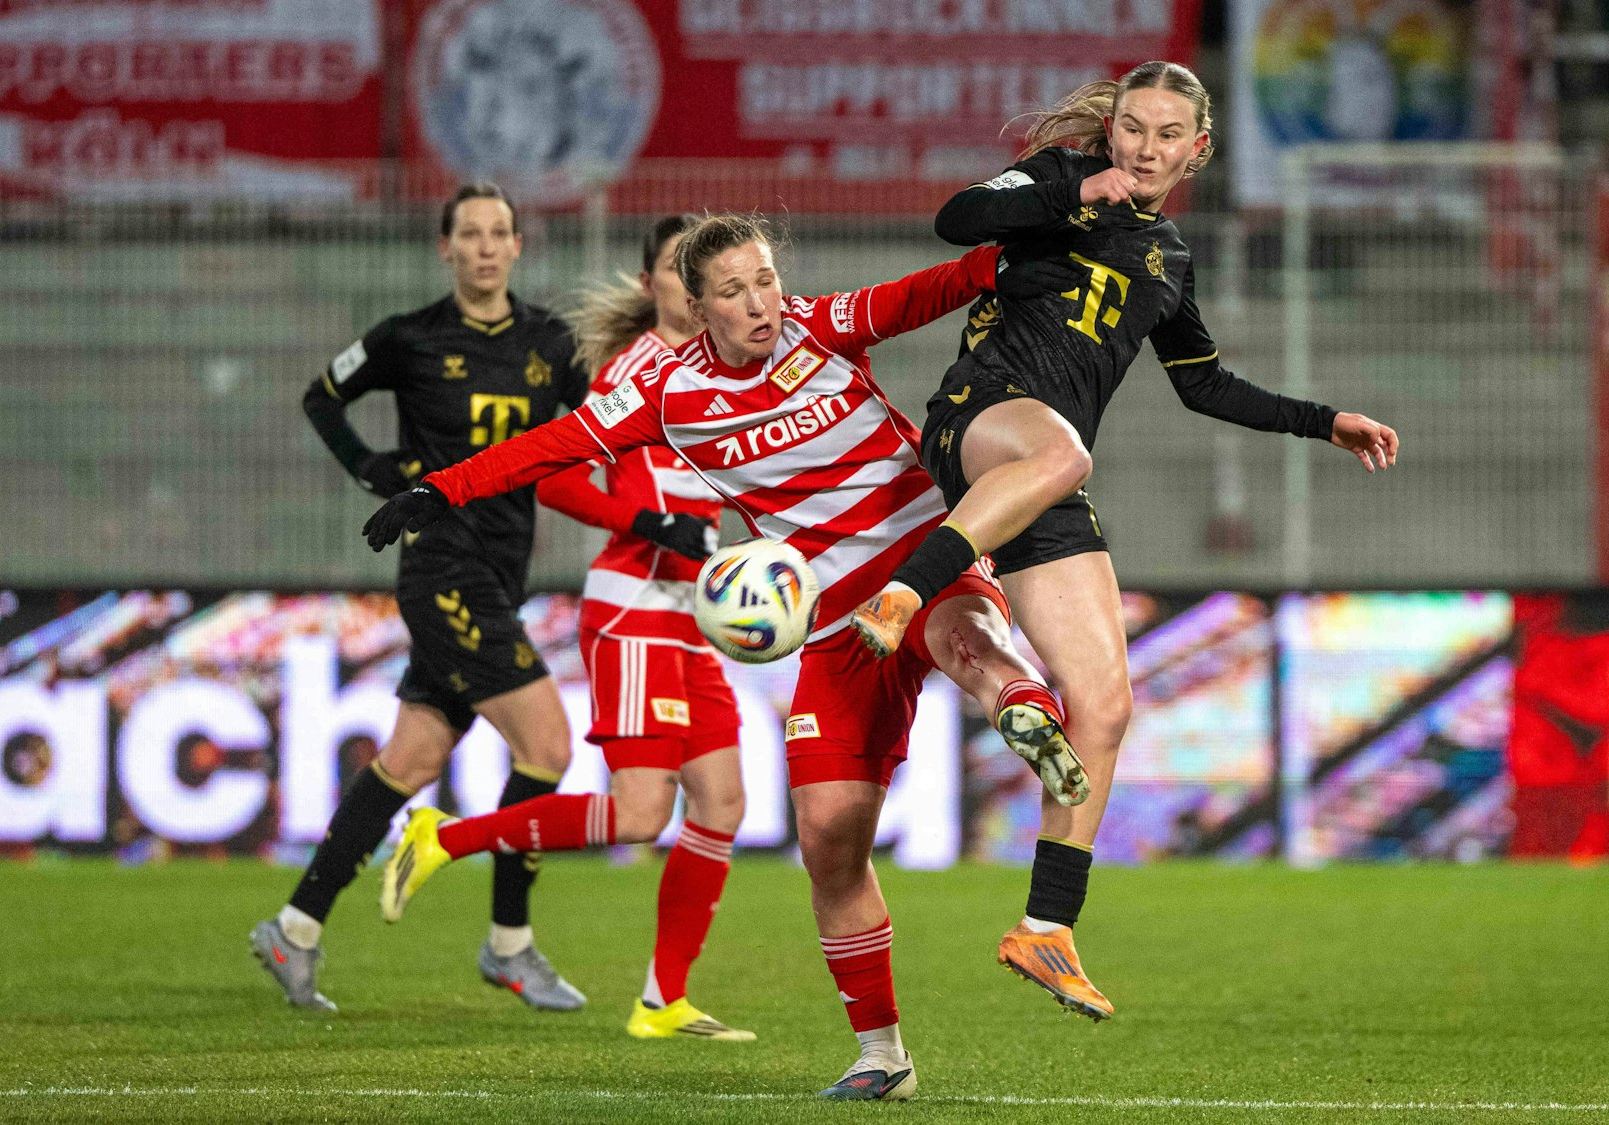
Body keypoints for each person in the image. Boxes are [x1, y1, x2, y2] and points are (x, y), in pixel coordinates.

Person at [362, 212, 1085, 1101]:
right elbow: (551, 448)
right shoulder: (665, 394)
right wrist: (440, 487)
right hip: (829, 624)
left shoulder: (823, 324)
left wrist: (1014, 255)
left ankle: (1028, 708)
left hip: (922, 559)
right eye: (736, 291)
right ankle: (882, 1057)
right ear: (697, 305)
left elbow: (926, 292)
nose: (761, 303)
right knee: (826, 839)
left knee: (967, 641)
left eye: (767, 280)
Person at [849, 62, 1401, 1022]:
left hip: (1047, 472)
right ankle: (906, 589)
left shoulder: (1171, 259)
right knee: (1066, 456)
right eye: (1133, 128)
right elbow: (957, 219)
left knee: (1104, 707)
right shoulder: (1056, 177)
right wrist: (1073, 190)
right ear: (1111, 134)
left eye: (1166, 134)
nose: (1145, 148)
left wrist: (1326, 420)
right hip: (980, 420)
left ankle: (1047, 930)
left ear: (1199, 150)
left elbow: (1205, 384)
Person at [251, 183, 590, 1013]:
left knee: (411, 759)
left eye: (498, 232)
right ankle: (509, 943)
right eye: (469, 232)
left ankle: (293, 928)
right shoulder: (409, 339)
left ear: (518, 246)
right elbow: (321, 397)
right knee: (547, 743)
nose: (483, 245)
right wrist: (371, 467)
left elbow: (602, 425)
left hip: (504, 572)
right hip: (442, 567)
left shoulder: (551, 341)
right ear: (446, 247)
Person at [527, 214, 754, 1041]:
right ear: (655, 284)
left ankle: (663, 1000)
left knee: (723, 803)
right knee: (636, 817)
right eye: (674, 267)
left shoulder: (721, 371)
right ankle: (446, 835)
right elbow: (553, 480)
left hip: (692, 615)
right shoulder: (634, 371)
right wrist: (650, 523)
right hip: (633, 607)